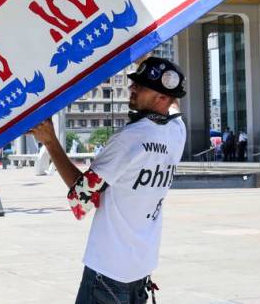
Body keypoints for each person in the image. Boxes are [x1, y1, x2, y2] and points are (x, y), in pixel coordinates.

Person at [30, 57, 186, 304]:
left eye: (141, 86)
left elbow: (81, 198)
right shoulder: (177, 132)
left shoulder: (129, 139)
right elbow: (174, 103)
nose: (132, 88)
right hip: (140, 270)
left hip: (108, 274)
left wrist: (50, 142)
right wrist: (146, 58)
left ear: (161, 98)